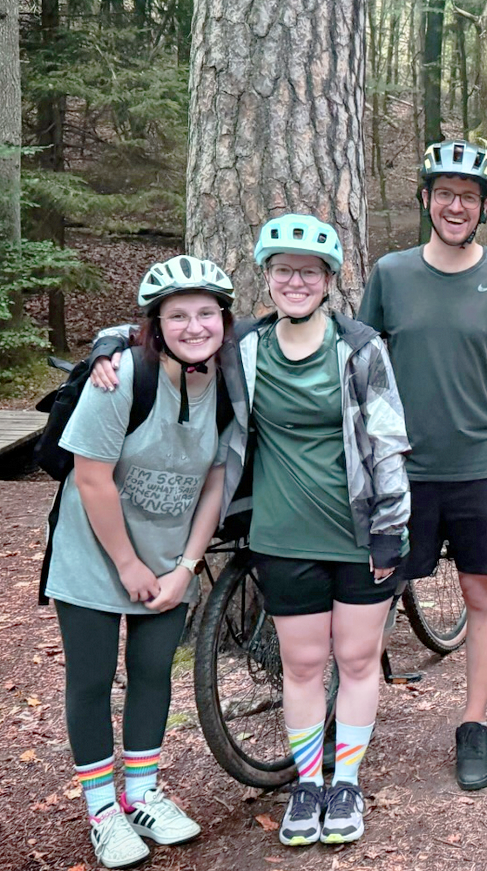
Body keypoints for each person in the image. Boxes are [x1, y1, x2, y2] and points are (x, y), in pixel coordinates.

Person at [91, 217, 411, 847]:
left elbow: (389, 441)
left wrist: (390, 533)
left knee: (355, 659)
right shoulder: (245, 346)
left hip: (358, 530)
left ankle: (344, 784)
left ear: (328, 282)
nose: (297, 281)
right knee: (302, 662)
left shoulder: (361, 346)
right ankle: (307, 786)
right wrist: (107, 346)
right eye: (284, 270)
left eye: (310, 272)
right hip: (282, 535)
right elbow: (167, 331)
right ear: (267, 277)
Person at [358, 140, 487, 791]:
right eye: (444, 194)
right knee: (373, 594)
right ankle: (347, 721)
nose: (455, 205)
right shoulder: (391, 273)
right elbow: (364, 360)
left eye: (468, 196)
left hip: (482, 462)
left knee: (482, 593)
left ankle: (474, 724)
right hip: (402, 466)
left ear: (483, 207)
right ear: (426, 200)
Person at [47, 255, 235, 868]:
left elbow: (215, 483)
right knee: (94, 679)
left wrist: (186, 566)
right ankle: (102, 808)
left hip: (167, 556)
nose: (193, 325)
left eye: (206, 313)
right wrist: (127, 564)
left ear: (225, 321)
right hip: (95, 550)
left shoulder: (229, 388)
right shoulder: (123, 376)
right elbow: (92, 478)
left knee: (154, 670)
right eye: (177, 315)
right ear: (155, 325)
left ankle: (142, 793)